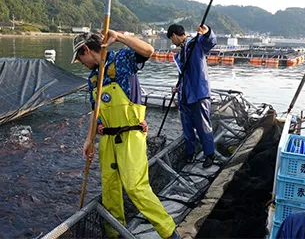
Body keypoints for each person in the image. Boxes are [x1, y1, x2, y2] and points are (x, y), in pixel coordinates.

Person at [71, 31, 179, 239]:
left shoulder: (121, 59)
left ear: (86, 50)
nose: (80, 62)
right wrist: (89, 140)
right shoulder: (93, 77)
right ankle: (115, 233)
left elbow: (148, 51)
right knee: (110, 188)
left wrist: (119, 37)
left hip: (130, 135)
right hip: (107, 138)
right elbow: (96, 111)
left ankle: (169, 233)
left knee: (135, 186)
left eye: (80, 57)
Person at [167, 24, 217, 168]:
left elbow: (210, 42)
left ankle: (209, 154)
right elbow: (183, 74)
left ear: (175, 35)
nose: (172, 43)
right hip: (184, 95)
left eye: (172, 39)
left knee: (203, 126)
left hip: (199, 93)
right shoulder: (180, 53)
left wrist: (207, 33)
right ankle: (191, 153)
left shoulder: (196, 44)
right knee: (187, 126)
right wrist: (178, 86)